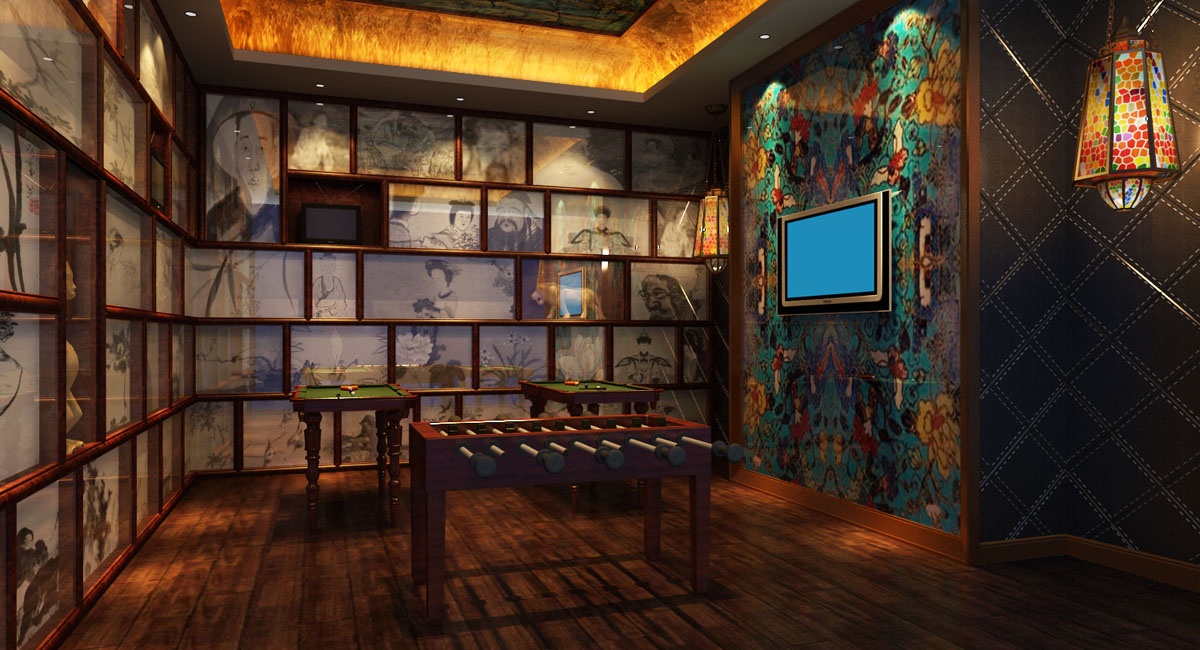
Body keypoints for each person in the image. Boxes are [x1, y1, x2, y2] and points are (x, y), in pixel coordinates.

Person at [205, 96, 281, 243]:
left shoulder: (280, 213)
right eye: (245, 149)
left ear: (273, 154)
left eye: (261, 149)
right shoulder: (218, 216)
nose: (254, 165)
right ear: (236, 155)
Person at [568, 205, 633, 254]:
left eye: (604, 217)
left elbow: (619, 250)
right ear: (597, 219)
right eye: (599, 217)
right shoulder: (588, 233)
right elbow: (583, 249)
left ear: (607, 219)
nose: (601, 220)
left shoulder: (615, 234)